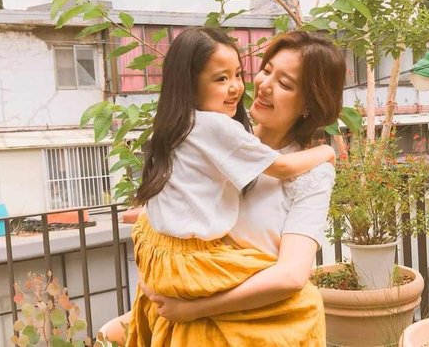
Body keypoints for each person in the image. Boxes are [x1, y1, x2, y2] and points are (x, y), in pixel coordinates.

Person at [126, 28, 344, 346]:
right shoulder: (217, 139)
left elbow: (292, 275)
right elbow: (161, 225)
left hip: (253, 326)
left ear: (310, 104)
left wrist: (195, 309)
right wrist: (154, 287)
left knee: (307, 303)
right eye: (266, 70)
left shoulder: (311, 173)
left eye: (284, 84)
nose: (264, 85)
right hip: (180, 313)